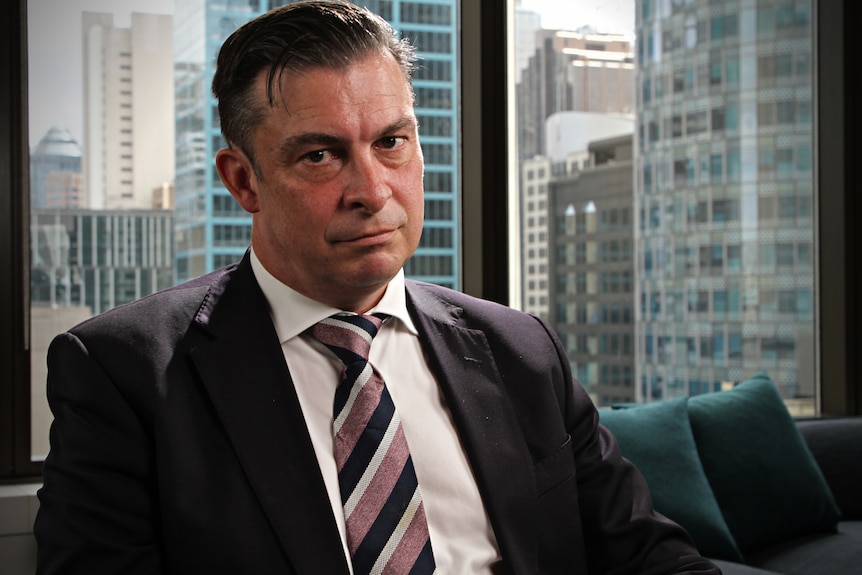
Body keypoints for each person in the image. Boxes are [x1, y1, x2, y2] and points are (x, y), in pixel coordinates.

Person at [34, 2, 720, 574]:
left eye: (392, 141)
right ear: (243, 180)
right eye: (320, 155)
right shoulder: (124, 373)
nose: (372, 191)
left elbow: (648, 553)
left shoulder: (520, 349)